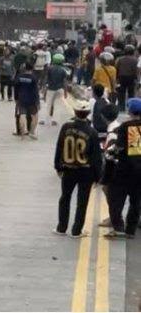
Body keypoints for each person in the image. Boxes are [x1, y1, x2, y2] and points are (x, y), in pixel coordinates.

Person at [53, 99, 102, 238]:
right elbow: (96, 157)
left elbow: (60, 147)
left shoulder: (66, 127)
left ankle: (61, 227)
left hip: (68, 169)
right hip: (85, 171)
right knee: (82, 201)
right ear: (88, 113)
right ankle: (76, 230)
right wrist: (98, 176)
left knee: (65, 197)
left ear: (75, 112)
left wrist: (58, 166)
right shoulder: (91, 132)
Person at [105, 98, 141, 239]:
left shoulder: (126, 126)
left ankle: (118, 227)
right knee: (136, 201)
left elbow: (119, 148)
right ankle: (130, 230)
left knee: (115, 198)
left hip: (125, 169)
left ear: (130, 111)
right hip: (139, 170)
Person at [14, 63, 40, 139]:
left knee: (22, 115)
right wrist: (37, 101)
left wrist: (16, 98)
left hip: (21, 99)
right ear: (32, 69)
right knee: (34, 116)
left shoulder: (19, 77)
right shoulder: (33, 78)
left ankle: (23, 131)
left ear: (25, 69)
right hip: (32, 100)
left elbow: (16, 89)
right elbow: (36, 91)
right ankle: (32, 132)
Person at [41, 54, 68, 127]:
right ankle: (54, 121)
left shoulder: (50, 69)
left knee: (48, 105)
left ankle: (47, 120)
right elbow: (65, 82)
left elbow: (46, 79)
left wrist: (43, 88)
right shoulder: (63, 70)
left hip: (50, 89)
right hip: (60, 89)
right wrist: (65, 92)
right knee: (57, 105)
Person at [116, 45, 138, 112]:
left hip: (121, 78)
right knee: (131, 93)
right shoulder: (135, 60)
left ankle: (121, 108)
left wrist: (117, 78)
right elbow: (136, 70)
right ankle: (130, 108)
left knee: (121, 93)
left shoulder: (120, 59)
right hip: (131, 78)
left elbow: (117, 68)